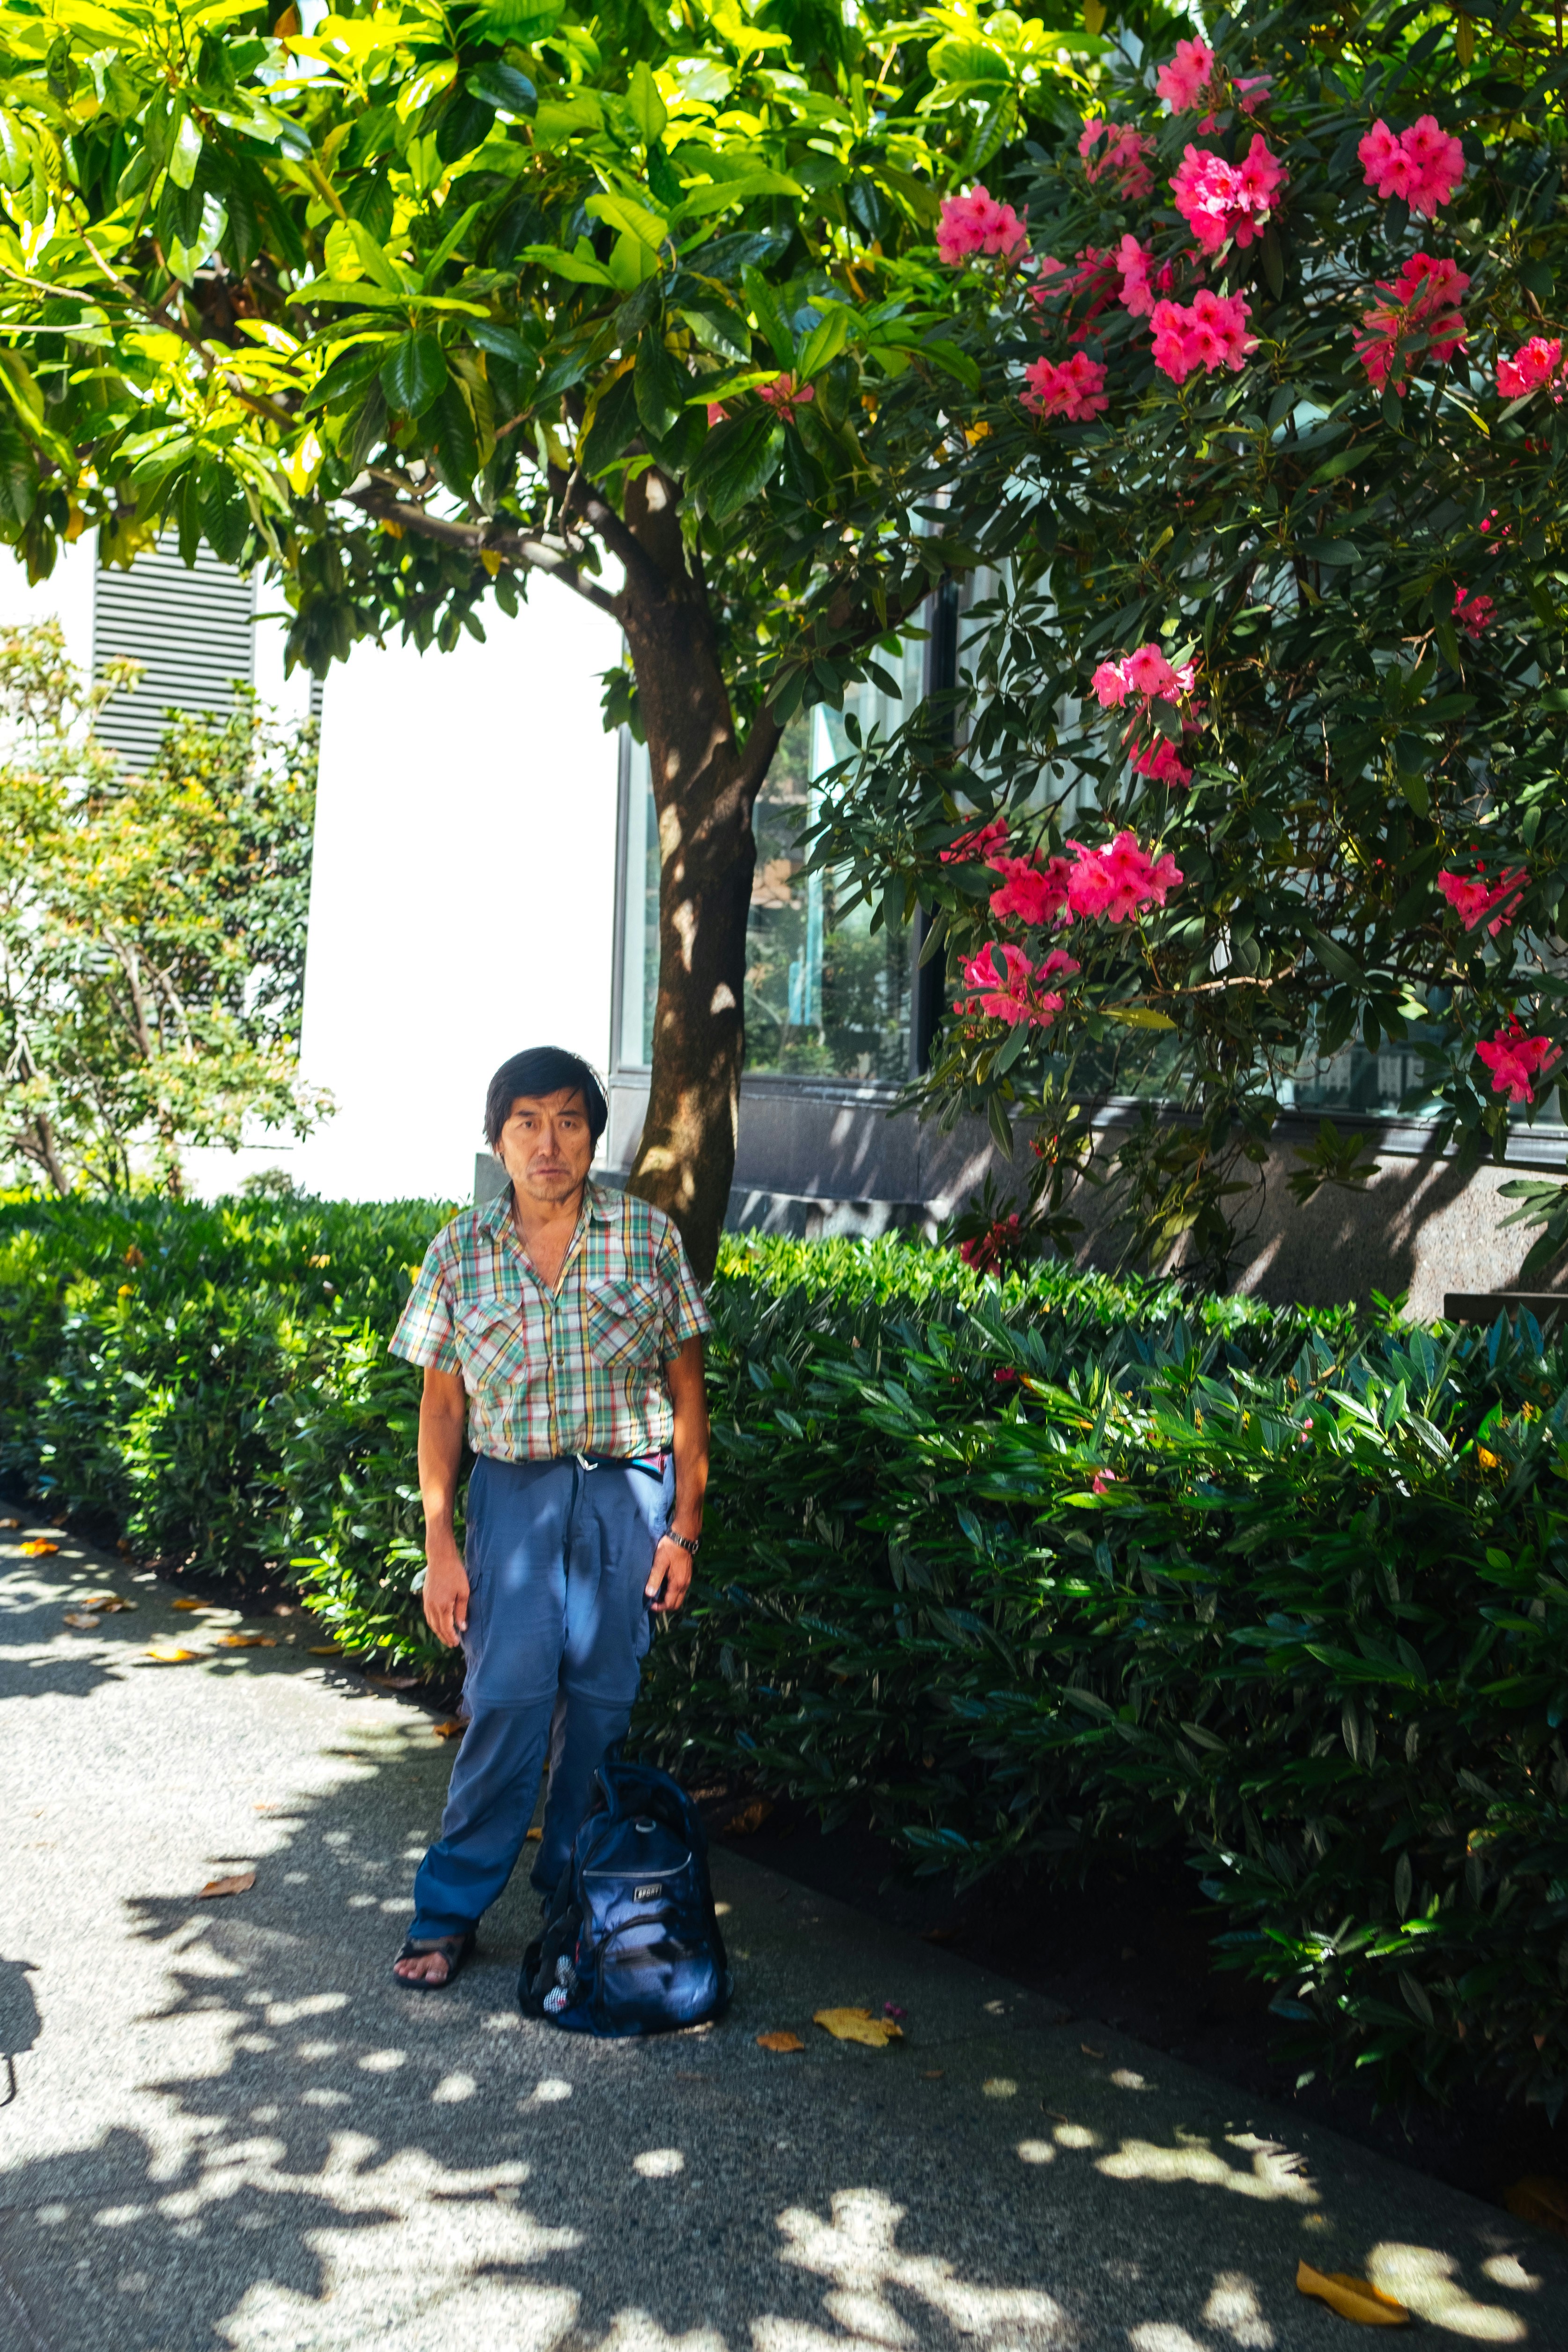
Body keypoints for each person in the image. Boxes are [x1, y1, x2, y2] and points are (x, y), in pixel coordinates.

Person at [387, 1045, 711, 1988]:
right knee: (506, 1704)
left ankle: (577, 1906)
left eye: (569, 1118)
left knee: (602, 1708)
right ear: (497, 1137)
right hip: (512, 1495)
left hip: (624, 1494)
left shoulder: (646, 1238)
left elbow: (688, 1395)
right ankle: (448, 1913)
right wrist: (440, 1546)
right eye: (526, 1120)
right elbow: (442, 1410)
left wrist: (683, 1527)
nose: (548, 1140)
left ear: (593, 1135)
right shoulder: (459, 1250)